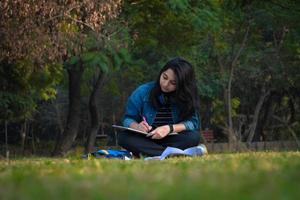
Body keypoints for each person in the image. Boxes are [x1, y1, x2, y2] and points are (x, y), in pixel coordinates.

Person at [117, 57, 201, 157]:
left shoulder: (186, 97)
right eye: (164, 77)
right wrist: (137, 126)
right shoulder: (142, 92)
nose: (165, 84)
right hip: (146, 138)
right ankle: (169, 154)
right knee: (124, 137)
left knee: (193, 137)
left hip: (171, 138)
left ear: (182, 85)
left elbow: (193, 123)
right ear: (161, 72)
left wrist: (169, 128)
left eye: (173, 83)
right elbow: (127, 119)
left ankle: (153, 152)